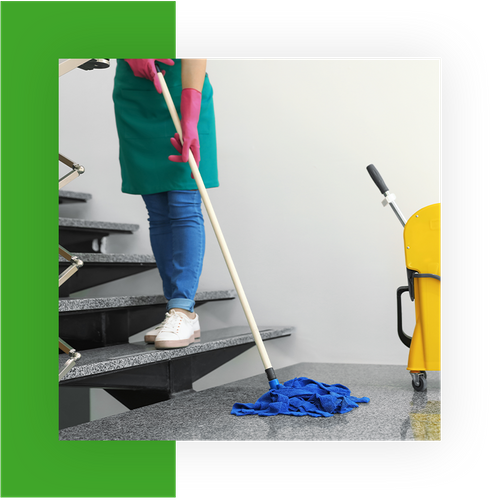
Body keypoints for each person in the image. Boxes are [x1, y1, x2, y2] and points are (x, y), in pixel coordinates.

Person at [112, 58, 218, 349]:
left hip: (183, 87)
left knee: (184, 204)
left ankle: (183, 307)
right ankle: (177, 310)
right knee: (157, 211)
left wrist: (191, 116)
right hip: (135, 94)